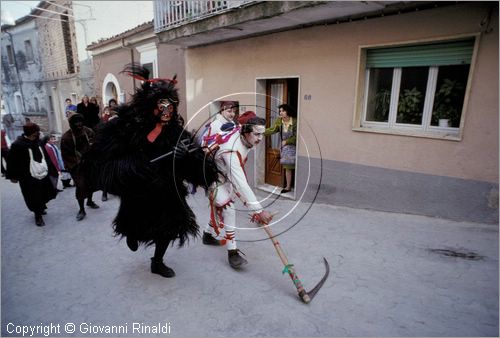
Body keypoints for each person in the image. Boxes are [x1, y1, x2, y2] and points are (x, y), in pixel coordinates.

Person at [82, 63, 219, 278]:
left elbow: (200, 171)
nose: (167, 111)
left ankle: (157, 262)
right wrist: (141, 166)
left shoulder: (177, 132)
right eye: (161, 106)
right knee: (135, 224)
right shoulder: (128, 128)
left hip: (168, 192)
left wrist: (189, 157)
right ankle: (131, 234)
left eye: (170, 106)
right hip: (139, 192)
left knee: (170, 227)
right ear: (150, 107)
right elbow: (105, 161)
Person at [202, 111, 273, 269]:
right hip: (210, 175)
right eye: (256, 134)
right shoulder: (231, 150)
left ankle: (207, 235)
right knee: (228, 207)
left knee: (221, 204)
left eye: (262, 134)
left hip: (224, 172)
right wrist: (259, 210)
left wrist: (254, 208)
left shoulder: (242, 133)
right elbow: (241, 183)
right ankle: (232, 252)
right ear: (245, 131)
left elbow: (236, 177)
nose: (260, 139)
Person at [6, 123, 58, 226]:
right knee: (33, 196)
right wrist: (13, 176)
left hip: (41, 173)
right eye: (34, 133)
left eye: (37, 133)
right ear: (28, 133)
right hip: (27, 176)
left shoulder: (37, 141)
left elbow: (44, 155)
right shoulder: (17, 145)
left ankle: (41, 208)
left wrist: (52, 168)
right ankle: (37, 216)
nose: (37, 135)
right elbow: (12, 162)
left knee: (43, 192)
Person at [61, 113, 99, 221]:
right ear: (71, 124)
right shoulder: (66, 138)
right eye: (76, 122)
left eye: (80, 122)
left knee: (91, 183)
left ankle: (90, 201)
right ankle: (81, 209)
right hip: (76, 166)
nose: (79, 124)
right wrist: (77, 163)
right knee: (81, 186)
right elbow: (66, 155)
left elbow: (95, 142)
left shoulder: (88, 131)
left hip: (89, 163)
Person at [264, 103, 297, 193]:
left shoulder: (295, 121)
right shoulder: (279, 121)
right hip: (284, 148)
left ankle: (289, 186)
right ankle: (288, 186)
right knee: (287, 166)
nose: (281, 113)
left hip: (293, 146)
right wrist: (261, 132)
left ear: (288, 112)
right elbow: (273, 129)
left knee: (291, 166)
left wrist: (287, 141)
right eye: (280, 111)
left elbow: (297, 136)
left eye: (283, 111)